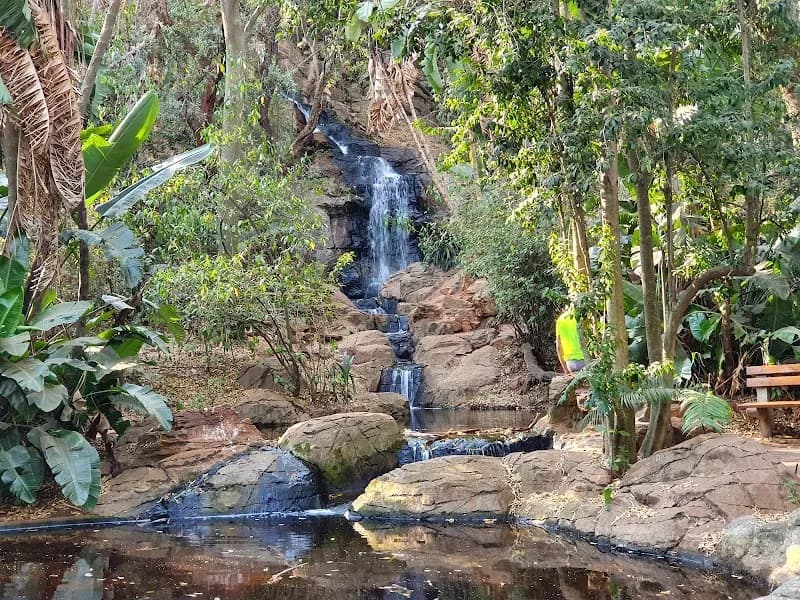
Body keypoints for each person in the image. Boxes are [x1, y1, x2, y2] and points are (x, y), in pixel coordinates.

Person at [556, 307, 586, 374]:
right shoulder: (581, 317)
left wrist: (565, 370)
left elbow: (558, 346)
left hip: (570, 363)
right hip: (584, 360)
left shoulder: (560, 320)